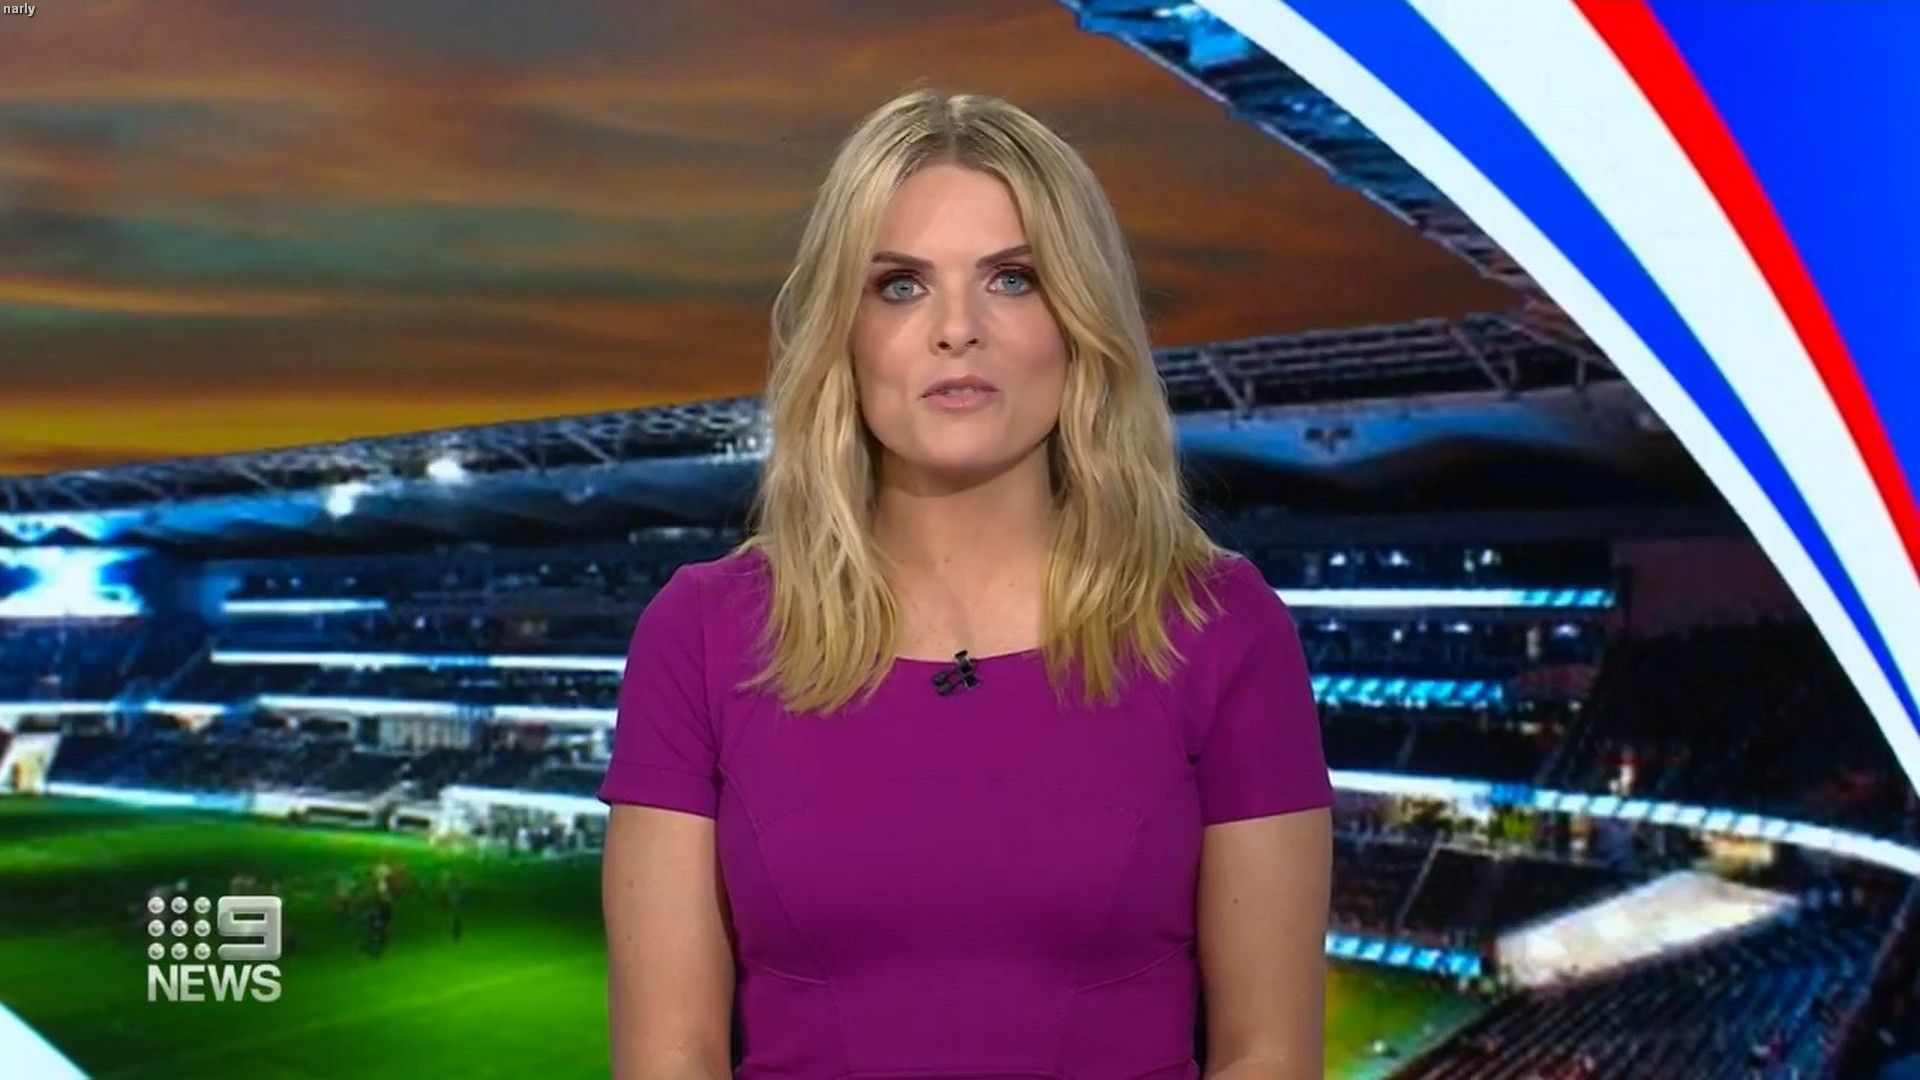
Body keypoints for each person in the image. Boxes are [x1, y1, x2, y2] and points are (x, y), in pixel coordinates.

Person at [599, 86, 1333, 1079]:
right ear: (842, 331)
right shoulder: (700, 633)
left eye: (1012, 279)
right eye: (900, 285)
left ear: (1079, 320)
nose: (957, 328)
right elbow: (669, 1056)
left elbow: (1269, 1056)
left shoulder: (1219, 625)